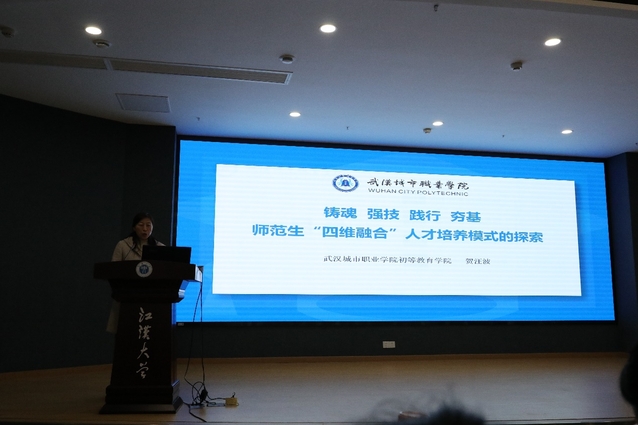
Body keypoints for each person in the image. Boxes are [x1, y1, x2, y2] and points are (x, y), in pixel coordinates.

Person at [107, 212, 164, 333]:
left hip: (152, 299)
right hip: (126, 298)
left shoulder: (160, 248)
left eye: (148, 225)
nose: (145, 229)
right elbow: (113, 270)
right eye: (141, 225)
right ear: (134, 227)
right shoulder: (123, 246)